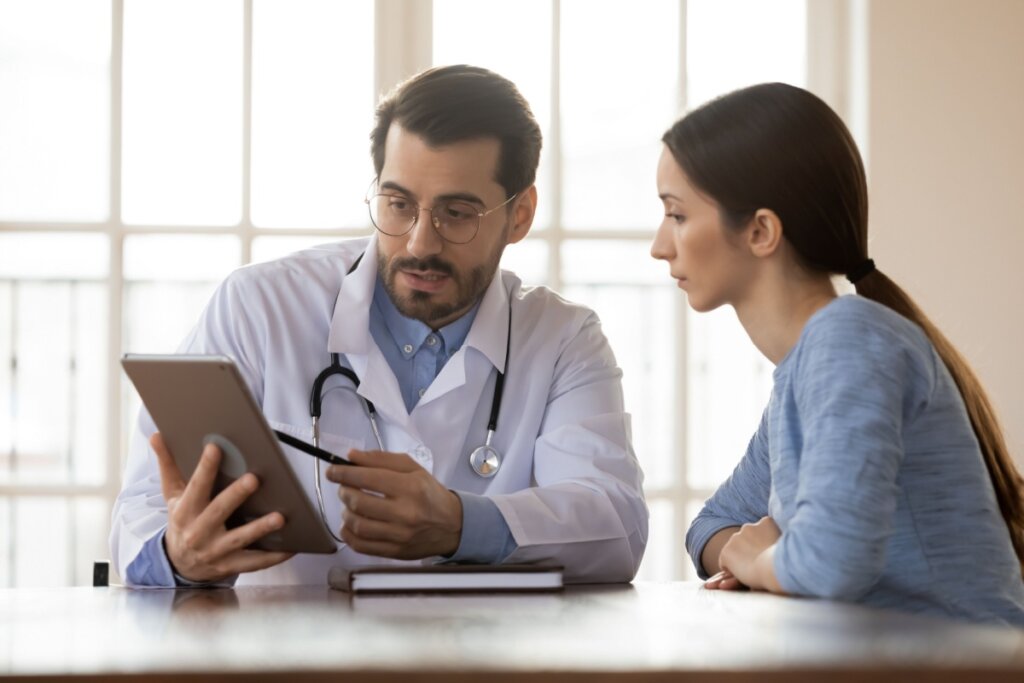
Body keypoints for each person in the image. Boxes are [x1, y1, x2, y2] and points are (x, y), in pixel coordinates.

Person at [111, 64, 648, 587]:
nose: (420, 243)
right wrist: (179, 555)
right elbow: (142, 513)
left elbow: (615, 527)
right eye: (398, 205)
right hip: (285, 663)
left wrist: (460, 524)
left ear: (520, 215)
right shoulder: (258, 307)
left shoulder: (563, 340)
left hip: (479, 661)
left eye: (456, 213)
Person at [650, 82, 1024, 625]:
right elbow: (710, 526)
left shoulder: (849, 341)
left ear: (760, 231)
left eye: (677, 215)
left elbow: (830, 564)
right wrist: (767, 556)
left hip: (969, 667)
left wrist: (764, 560)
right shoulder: (802, 373)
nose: (660, 245)